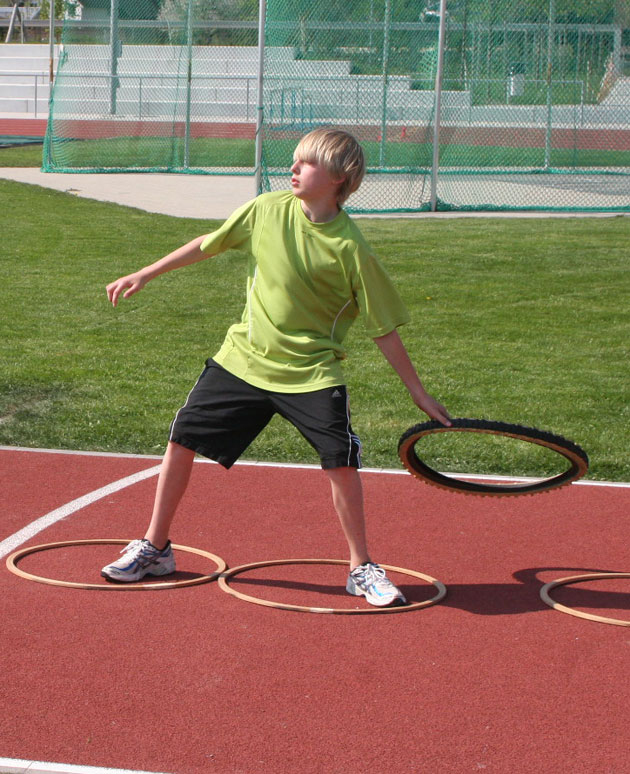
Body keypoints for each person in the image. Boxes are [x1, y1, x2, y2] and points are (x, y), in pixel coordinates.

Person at [101, 127, 451, 607]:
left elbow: (383, 327)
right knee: (182, 439)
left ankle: (361, 567)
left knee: (341, 462)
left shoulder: (351, 248)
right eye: (294, 160)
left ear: (339, 178)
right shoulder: (266, 209)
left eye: (306, 163)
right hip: (243, 359)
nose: (293, 168)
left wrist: (417, 390)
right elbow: (210, 243)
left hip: (311, 372)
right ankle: (156, 548)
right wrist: (146, 272)